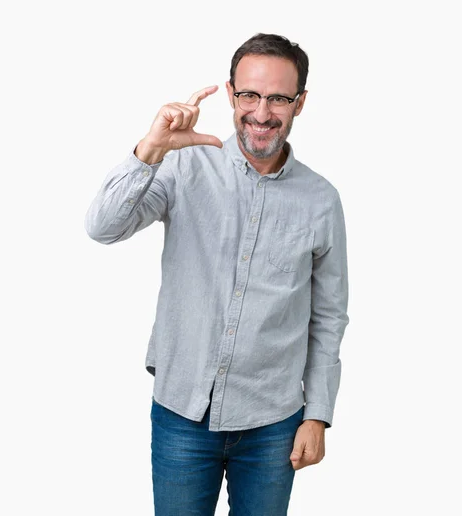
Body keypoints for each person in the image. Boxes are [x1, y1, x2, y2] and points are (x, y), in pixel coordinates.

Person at [84, 33, 350, 515]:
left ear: (300, 103)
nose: (262, 112)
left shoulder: (321, 200)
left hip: (274, 423)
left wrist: (318, 416)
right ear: (230, 94)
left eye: (278, 98)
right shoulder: (182, 165)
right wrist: (150, 149)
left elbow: (328, 317)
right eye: (249, 94)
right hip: (182, 413)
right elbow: (103, 228)